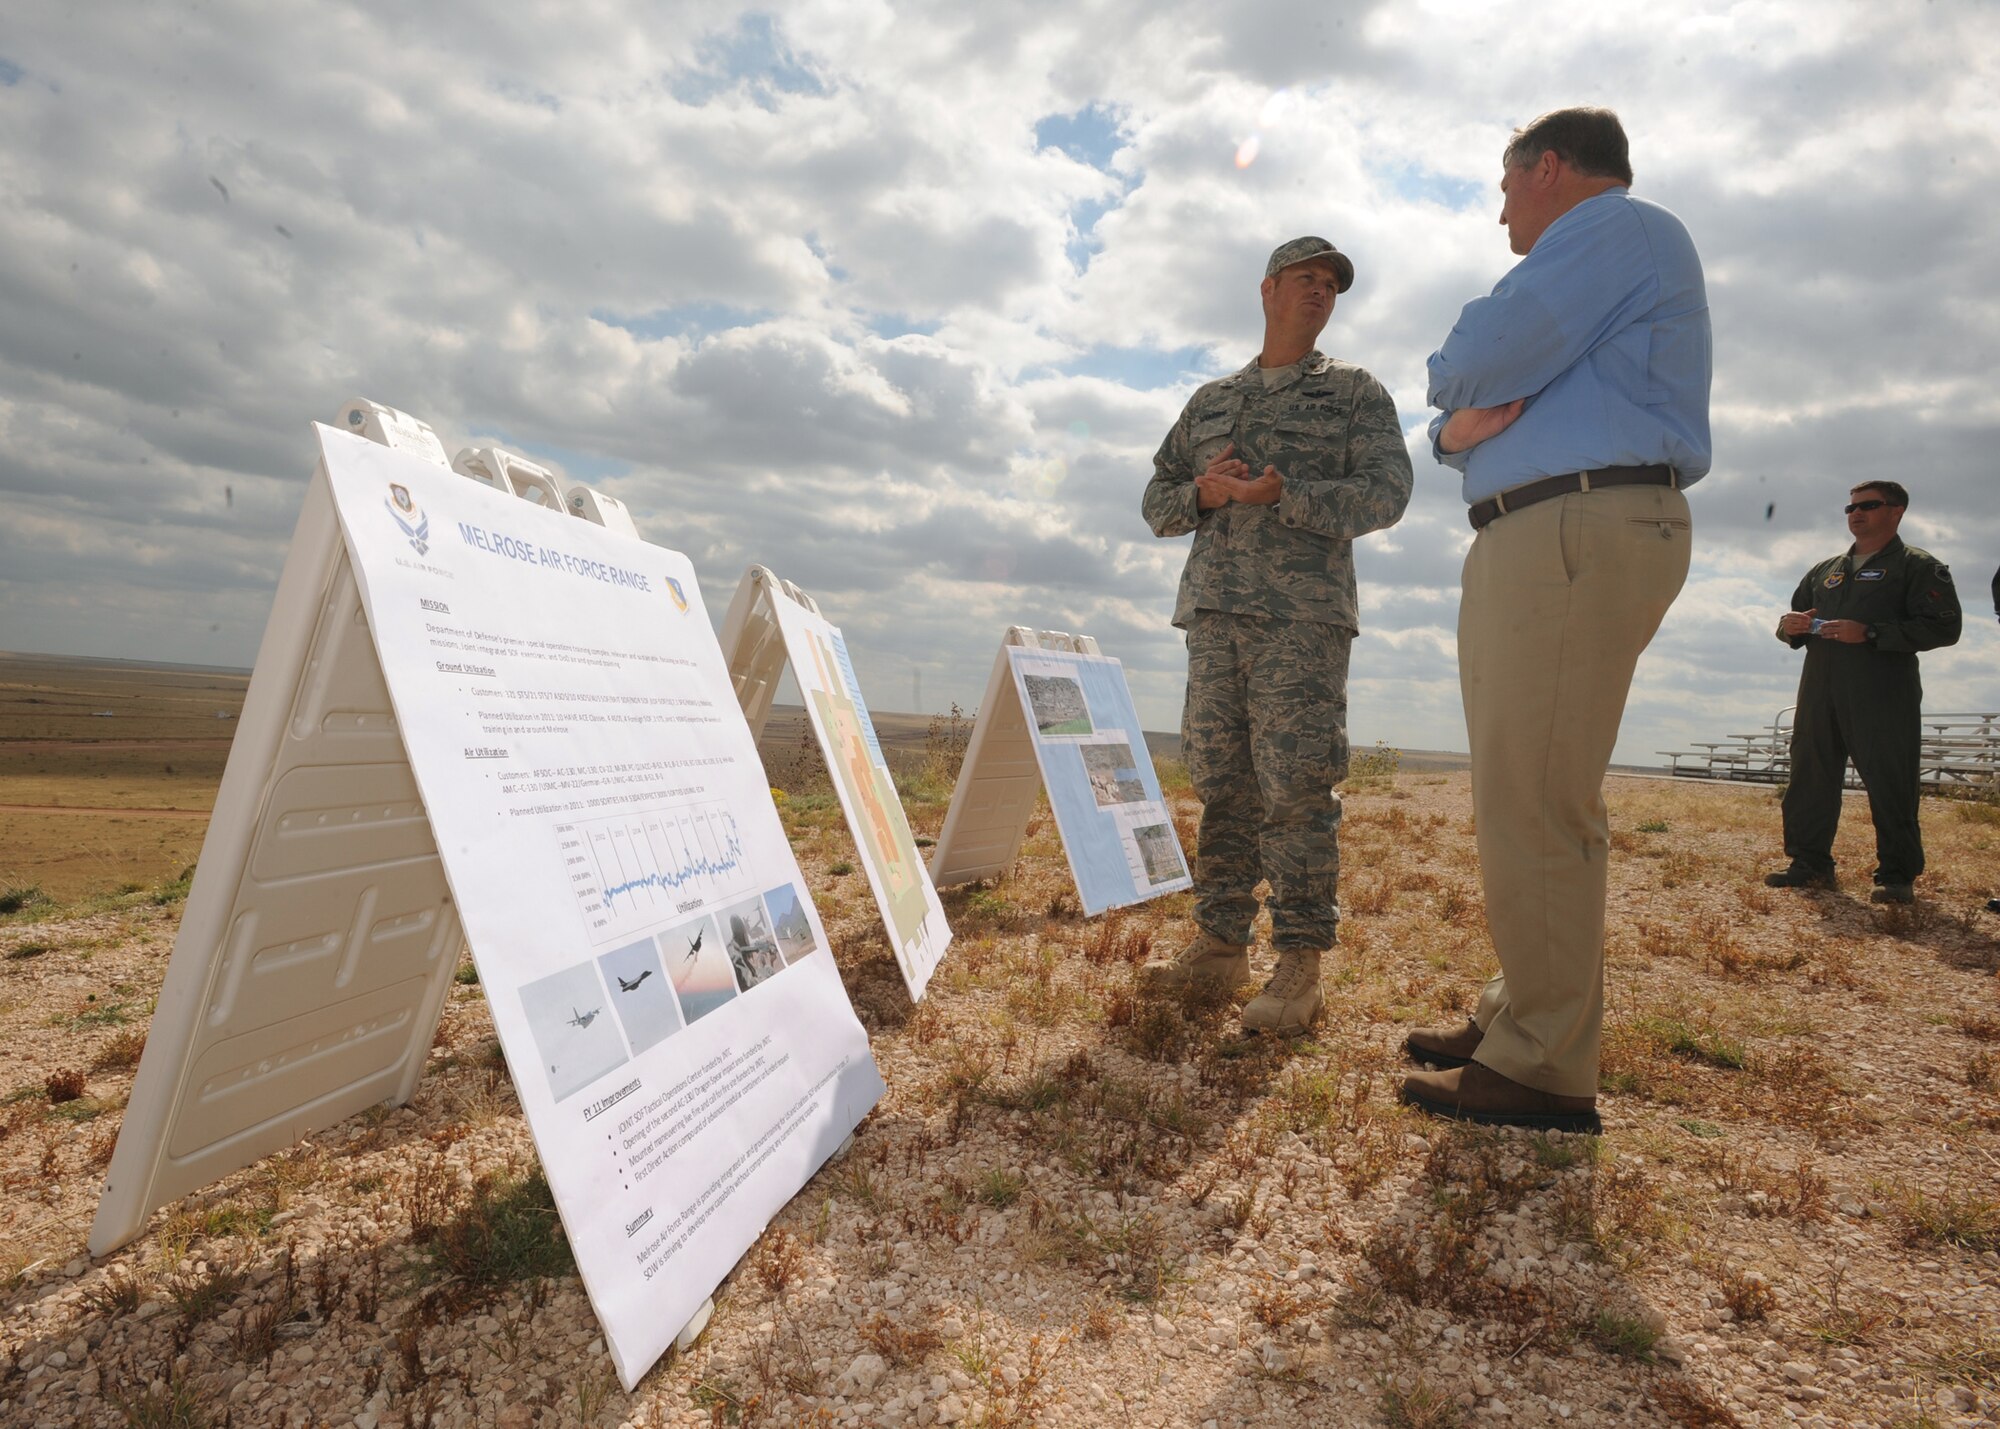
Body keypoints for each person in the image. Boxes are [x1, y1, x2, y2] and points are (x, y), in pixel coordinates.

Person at [1402, 107, 1710, 1133]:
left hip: (1571, 525)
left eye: (1501, 189)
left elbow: (1480, 353)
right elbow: (1458, 422)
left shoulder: (1613, 229)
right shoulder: (1606, 249)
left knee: (1535, 796)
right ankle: (1517, 1016)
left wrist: (1449, 404)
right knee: (1519, 789)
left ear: (1545, 169)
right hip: (1549, 527)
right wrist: (1454, 429)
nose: (1498, 215)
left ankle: (1539, 1064)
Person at [1138, 236, 1413, 1035]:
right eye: (1306, 279)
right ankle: (1221, 942)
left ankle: (1299, 964)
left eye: (1331, 285)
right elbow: (1157, 497)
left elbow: (1386, 493)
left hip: (1303, 621)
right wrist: (1208, 493)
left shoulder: (1356, 394)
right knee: (1221, 780)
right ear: (1268, 290)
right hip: (1215, 615)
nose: (1320, 293)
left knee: (1295, 785)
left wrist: (1287, 496)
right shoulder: (1212, 400)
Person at [1763, 482, 1961, 902]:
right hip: (1820, 690)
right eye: (1851, 507)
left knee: (1891, 781)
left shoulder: (1918, 566)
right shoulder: (1826, 570)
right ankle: (1809, 863)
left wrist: (1870, 632)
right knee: (1810, 776)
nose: (1856, 513)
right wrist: (1789, 626)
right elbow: (1791, 622)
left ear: (1897, 511)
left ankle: (1896, 875)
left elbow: (1945, 627)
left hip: (1883, 694)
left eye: (1868, 505)